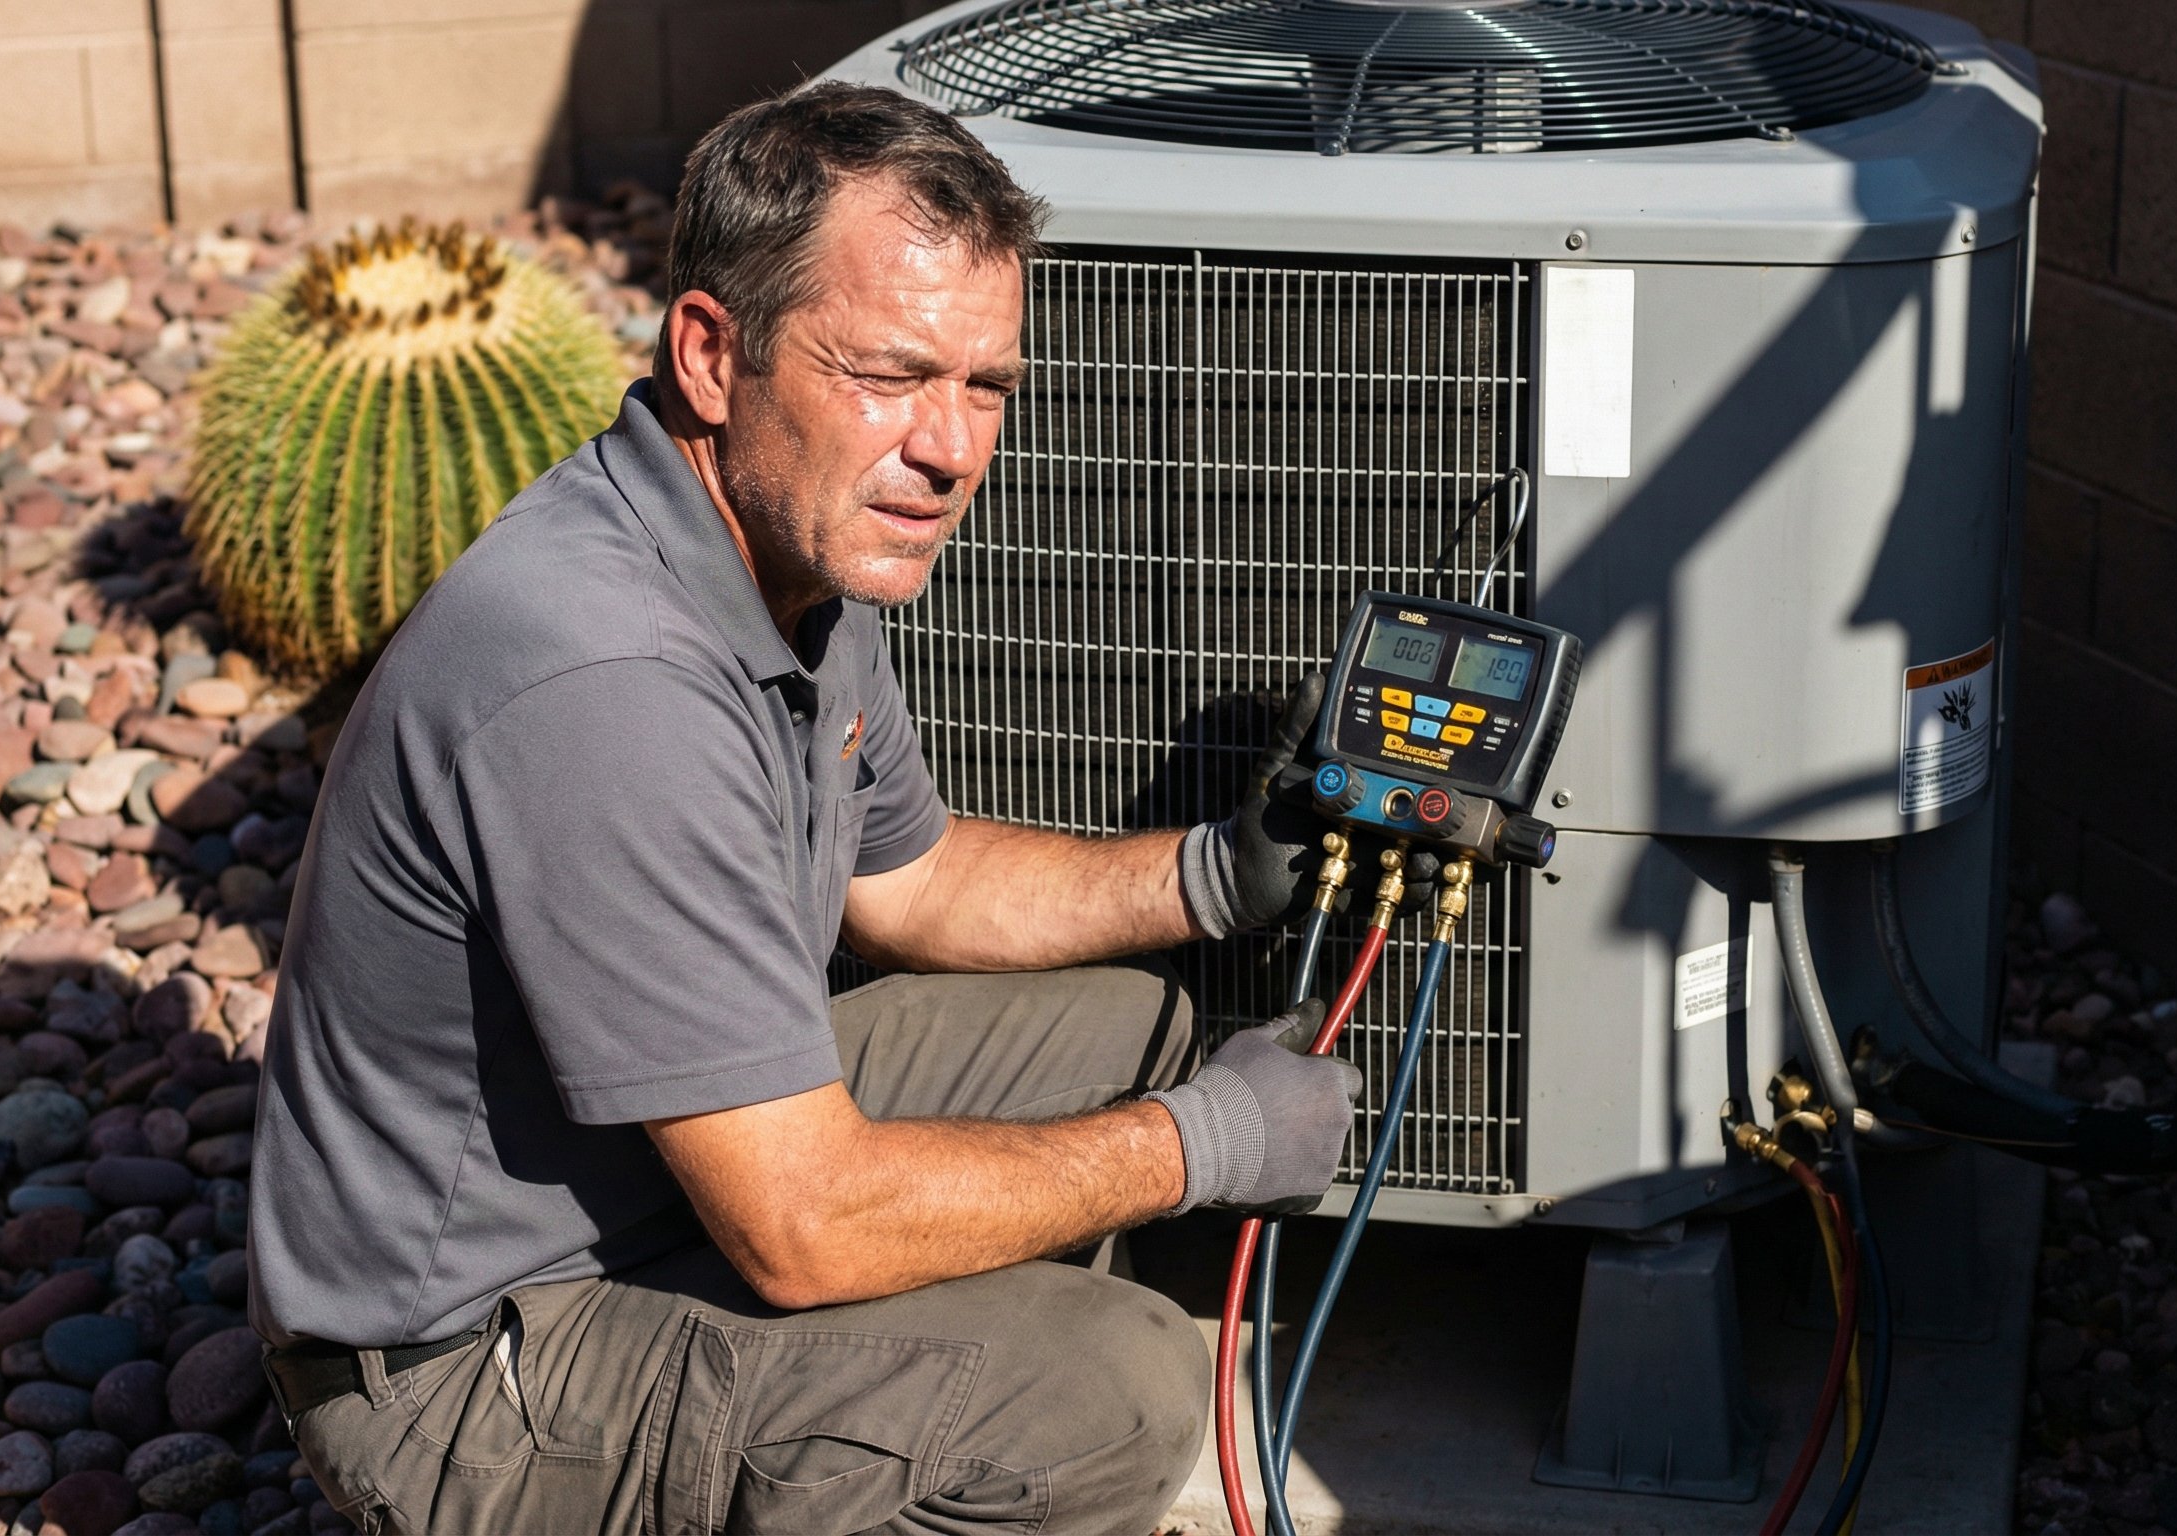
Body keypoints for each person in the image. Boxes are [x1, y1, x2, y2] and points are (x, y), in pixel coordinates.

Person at [243, 82, 1361, 1535]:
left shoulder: (791, 557)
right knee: (1117, 1389)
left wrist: (1215, 878)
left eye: (985, 385)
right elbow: (800, 1224)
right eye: (890, 374)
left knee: (1125, 1031)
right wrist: (1200, 1146)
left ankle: (906, 1418)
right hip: (463, 1377)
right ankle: (951, 1447)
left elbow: (914, 885)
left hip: (639, 1202)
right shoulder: (607, 677)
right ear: (713, 353)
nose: (953, 449)